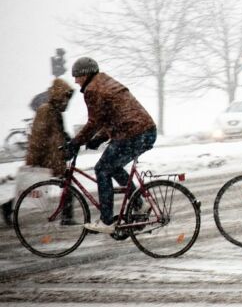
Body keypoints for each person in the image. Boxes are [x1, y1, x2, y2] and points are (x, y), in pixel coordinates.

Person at [64, 57, 157, 234]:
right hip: (145, 131)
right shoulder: (104, 82)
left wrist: (75, 143)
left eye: (77, 76)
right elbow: (113, 116)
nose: (75, 81)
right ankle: (139, 204)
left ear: (85, 74)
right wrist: (99, 138)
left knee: (102, 169)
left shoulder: (93, 89)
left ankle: (107, 220)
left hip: (133, 134)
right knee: (112, 167)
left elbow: (94, 122)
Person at [2, 78, 75, 226]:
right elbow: (38, 137)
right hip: (45, 157)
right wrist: (33, 161)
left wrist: (73, 142)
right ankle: (8, 206)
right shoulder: (45, 110)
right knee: (31, 187)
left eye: (68, 98)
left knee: (65, 184)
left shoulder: (56, 112)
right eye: (65, 97)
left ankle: (67, 217)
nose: (67, 101)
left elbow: (61, 133)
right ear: (59, 95)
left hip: (54, 156)